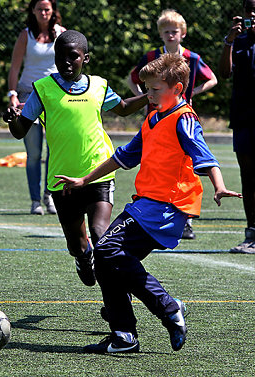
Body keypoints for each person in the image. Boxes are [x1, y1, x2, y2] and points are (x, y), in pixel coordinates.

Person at [54, 53, 241, 353]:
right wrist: (84, 180)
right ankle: (124, 336)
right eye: (146, 89)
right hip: (146, 205)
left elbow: (205, 157)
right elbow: (123, 156)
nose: (148, 96)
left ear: (177, 90)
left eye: (154, 90)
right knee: (105, 259)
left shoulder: (185, 119)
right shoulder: (153, 118)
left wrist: (219, 186)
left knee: (106, 249)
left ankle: (168, 306)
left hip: (166, 207)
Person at [3, 30, 149, 288]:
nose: (67, 62)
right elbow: (20, 132)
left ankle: (116, 300)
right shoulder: (44, 89)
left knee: (101, 235)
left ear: (86, 58)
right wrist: (13, 120)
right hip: (62, 180)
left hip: (98, 172)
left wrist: (151, 97)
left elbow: (124, 109)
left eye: (74, 56)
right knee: (76, 243)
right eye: (61, 57)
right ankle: (83, 257)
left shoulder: (99, 86)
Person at [127, 9, 218, 240]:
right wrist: (142, 96)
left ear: (183, 34)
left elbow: (213, 78)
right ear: (160, 34)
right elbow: (132, 77)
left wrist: (193, 92)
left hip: (179, 117)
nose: (170, 35)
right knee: (151, 161)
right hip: (155, 117)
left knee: (187, 164)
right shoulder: (151, 57)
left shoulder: (192, 58)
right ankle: (151, 207)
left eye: (174, 31)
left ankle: (184, 216)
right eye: (165, 31)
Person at [7, 0, 66, 215]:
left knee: (54, 151)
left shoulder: (62, 34)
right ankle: (35, 201)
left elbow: (70, 65)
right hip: (27, 95)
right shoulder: (26, 35)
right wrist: (12, 94)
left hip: (54, 96)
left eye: (47, 9)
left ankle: (50, 196)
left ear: (53, 12)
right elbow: (15, 67)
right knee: (33, 153)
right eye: (40, 9)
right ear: (33, 11)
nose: (43, 12)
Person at [219, 0, 255, 254]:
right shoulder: (239, 41)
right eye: (249, 9)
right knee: (248, 176)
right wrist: (229, 41)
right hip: (244, 117)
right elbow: (224, 73)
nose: (252, 14)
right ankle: (251, 234)